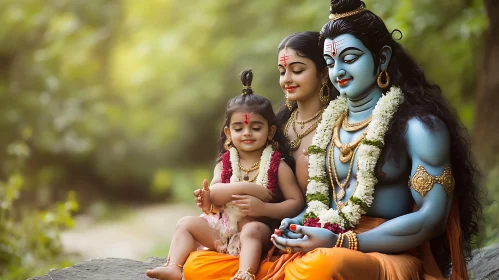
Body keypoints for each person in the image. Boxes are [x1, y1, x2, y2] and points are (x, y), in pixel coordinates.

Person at [184, 1, 483, 279]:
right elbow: (323, 202)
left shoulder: (419, 127)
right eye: (330, 61)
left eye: (349, 58)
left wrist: (344, 240)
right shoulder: (330, 124)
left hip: (386, 251)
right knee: (200, 266)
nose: (338, 71)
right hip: (325, 240)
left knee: (324, 267)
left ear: (382, 58)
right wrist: (296, 224)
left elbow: (432, 218)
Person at [185, 31, 337, 279]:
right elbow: (221, 192)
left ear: (322, 72)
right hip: (267, 236)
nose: (286, 79)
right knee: (196, 267)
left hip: (316, 231)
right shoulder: (276, 128)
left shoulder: (339, 124)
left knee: (317, 269)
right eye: (281, 71)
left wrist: (263, 207)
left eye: (297, 70)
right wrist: (212, 201)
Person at [146, 69, 304, 280]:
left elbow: (296, 203)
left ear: (271, 131)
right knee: (185, 223)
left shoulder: (277, 165)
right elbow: (216, 193)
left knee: (251, 230)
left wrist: (264, 208)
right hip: (223, 231)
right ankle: (174, 267)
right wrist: (246, 189)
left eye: (256, 128)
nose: (247, 133)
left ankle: (245, 273)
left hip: (258, 232)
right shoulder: (227, 163)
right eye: (239, 128)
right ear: (229, 133)